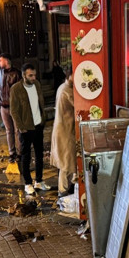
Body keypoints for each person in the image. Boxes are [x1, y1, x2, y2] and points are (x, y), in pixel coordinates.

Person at [10, 63, 50, 195]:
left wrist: (43, 120)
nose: (33, 77)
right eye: (30, 75)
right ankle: (27, 183)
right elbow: (14, 111)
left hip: (38, 125)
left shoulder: (37, 84)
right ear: (23, 75)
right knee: (26, 156)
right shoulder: (16, 89)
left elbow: (40, 103)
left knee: (39, 154)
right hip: (26, 128)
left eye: (34, 75)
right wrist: (21, 127)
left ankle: (39, 180)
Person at [50, 69, 75, 197]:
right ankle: (63, 190)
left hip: (64, 128)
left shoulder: (63, 87)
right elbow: (78, 105)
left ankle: (67, 187)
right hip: (64, 130)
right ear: (69, 75)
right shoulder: (67, 90)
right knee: (66, 162)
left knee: (68, 159)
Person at [0, 53, 18, 163]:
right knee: (9, 130)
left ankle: (19, 152)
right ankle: (12, 153)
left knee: (17, 130)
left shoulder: (16, 73)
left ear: (6, 61)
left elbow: (20, 91)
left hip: (14, 106)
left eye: (0, 60)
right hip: (3, 106)